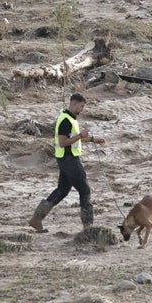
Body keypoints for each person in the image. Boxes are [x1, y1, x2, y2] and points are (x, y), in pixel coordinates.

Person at [29, 92, 105, 232]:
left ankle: (37, 219)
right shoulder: (65, 120)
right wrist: (80, 135)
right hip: (69, 159)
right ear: (74, 104)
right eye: (81, 106)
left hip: (65, 159)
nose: (82, 109)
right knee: (85, 190)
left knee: (62, 190)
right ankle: (88, 228)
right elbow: (63, 142)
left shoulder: (71, 118)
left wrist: (93, 139)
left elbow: (75, 138)